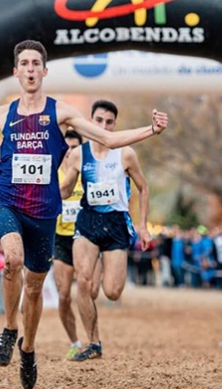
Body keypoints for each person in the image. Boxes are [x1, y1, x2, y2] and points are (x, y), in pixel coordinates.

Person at [0, 40, 168, 389]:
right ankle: (9, 328)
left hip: (44, 209)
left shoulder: (61, 112)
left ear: (44, 71)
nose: (31, 68)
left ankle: (28, 347)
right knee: (13, 260)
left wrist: (151, 130)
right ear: (16, 72)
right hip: (7, 200)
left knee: (34, 289)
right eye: (25, 63)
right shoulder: (2, 114)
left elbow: (108, 140)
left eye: (37, 63)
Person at [59, 99, 153, 361]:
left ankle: (101, 269)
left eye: (109, 122)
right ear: (90, 121)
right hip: (87, 221)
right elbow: (67, 188)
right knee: (84, 283)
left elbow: (143, 188)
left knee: (112, 291)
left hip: (115, 225)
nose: (103, 125)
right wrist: (44, 196)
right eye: (98, 120)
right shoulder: (79, 154)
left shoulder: (125, 154)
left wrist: (142, 226)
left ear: (114, 125)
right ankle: (94, 342)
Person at [52, 129, 103, 360]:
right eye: (66, 147)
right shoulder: (53, 175)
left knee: (91, 290)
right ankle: (75, 341)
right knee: (63, 295)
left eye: (74, 147)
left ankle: (94, 340)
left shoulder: (87, 173)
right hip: (61, 239)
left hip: (86, 237)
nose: (69, 152)